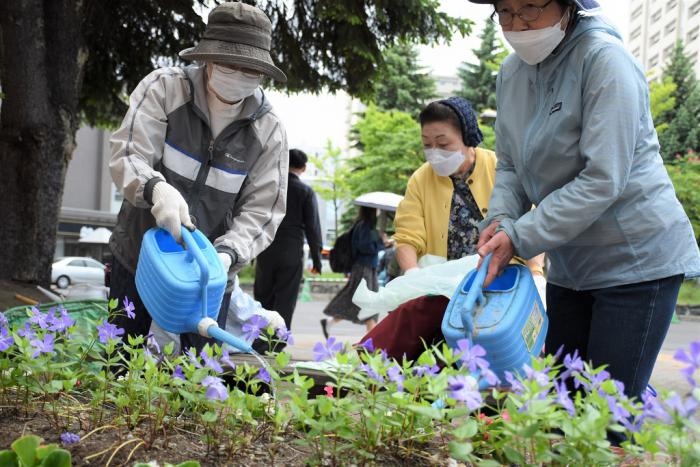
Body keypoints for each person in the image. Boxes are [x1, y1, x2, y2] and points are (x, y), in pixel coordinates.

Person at [469, 0, 700, 406]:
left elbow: (603, 177)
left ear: (567, 6)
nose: (517, 23)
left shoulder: (604, 61)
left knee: (606, 413)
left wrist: (520, 237)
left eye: (531, 8)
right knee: (561, 404)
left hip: (637, 261)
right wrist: (502, 218)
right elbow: (509, 166)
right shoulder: (510, 74)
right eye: (505, 11)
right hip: (571, 264)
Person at [108, 2, 288, 353]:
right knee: (122, 367)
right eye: (228, 64)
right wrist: (157, 190)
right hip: (139, 258)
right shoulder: (164, 89)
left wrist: (225, 255)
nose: (237, 74)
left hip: (211, 278)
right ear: (206, 58)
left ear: (262, 72)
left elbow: (262, 211)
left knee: (194, 381)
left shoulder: (268, 131)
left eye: (248, 69)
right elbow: (129, 152)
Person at [359, 97, 545, 359]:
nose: (435, 152)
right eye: (427, 145)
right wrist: (412, 273)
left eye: (443, 144)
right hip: (443, 283)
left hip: (499, 275)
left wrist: (536, 272)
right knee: (420, 319)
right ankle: (364, 366)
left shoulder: (499, 168)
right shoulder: (421, 179)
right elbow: (408, 234)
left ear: (468, 138)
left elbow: (530, 221)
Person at [254, 149, 323, 332]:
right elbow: (312, 227)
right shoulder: (305, 191)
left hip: (266, 247)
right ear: (303, 167)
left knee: (262, 294)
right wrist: (317, 259)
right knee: (286, 296)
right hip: (292, 250)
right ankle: (278, 341)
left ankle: (259, 339)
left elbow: (255, 216)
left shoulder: (270, 187)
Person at [321, 206, 386, 337]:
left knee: (363, 299)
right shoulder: (364, 226)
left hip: (368, 267)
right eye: (377, 209)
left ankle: (330, 322)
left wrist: (381, 242)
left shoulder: (366, 225)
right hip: (363, 268)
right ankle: (371, 338)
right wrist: (381, 243)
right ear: (371, 210)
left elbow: (372, 244)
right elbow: (365, 246)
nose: (379, 211)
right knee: (366, 300)